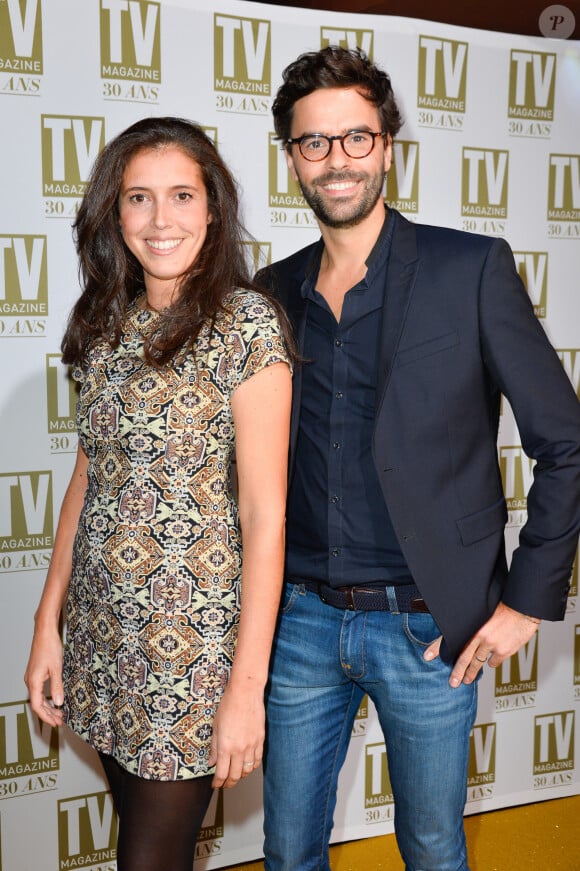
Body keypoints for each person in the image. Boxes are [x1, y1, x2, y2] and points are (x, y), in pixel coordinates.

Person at [255, 46, 580, 871]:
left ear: (389, 146)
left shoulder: (469, 269)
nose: (336, 160)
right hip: (299, 620)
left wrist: (526, 601)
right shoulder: (269, 292)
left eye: (355, 138)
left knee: (433, 848)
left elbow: (566, 443)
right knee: (288, 850)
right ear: (291, 156)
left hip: (431, 622)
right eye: (314, 142)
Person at [24, 116, 293, 871]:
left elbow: (265, 515)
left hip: (194, 652)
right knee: (138, 846)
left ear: (213, 208)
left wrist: (246, 689)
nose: (160, 218)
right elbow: (88, 477)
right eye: (138, 197)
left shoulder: (246, 326)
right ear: (115, 213)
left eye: (181, 195)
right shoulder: (105, 322)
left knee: (152, 859)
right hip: (104, 634)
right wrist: (49, 622)